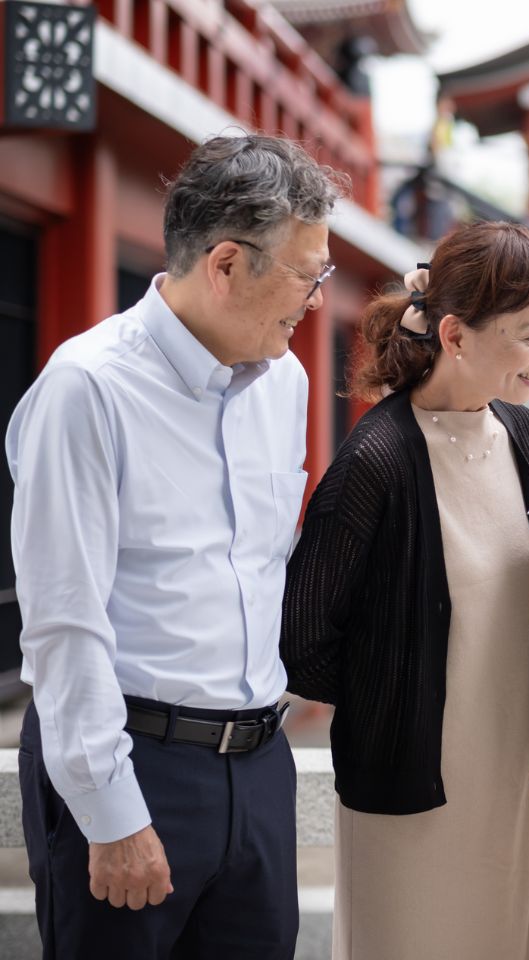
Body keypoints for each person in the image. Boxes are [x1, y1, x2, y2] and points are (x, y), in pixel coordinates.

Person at [6, 133, 341, 958]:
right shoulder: (87, 390)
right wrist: (111, 814)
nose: (315, 299)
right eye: (307, 275)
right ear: (226, 264)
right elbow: (63, 624)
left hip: (259, 766)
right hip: (135, 767)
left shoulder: (285, 381)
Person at [279, 221, 529, 960]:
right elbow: (304, 639)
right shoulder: (375, 460)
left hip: (521, 775)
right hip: (413, 783)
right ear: (456, 334)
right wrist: (395, 695)